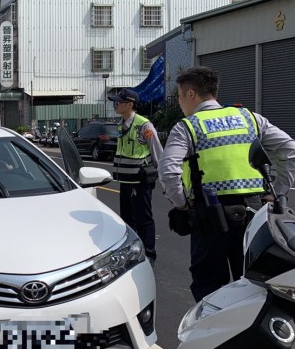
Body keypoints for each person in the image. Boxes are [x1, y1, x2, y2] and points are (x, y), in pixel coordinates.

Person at [159, 66, 295, 302]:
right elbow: (290, 151)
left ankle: (213, 334)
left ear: (191, 94)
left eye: (180, 96)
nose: (180, 103)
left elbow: (168, 170)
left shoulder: (188, 126)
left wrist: (182, 204)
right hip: (255, 216)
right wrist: (278, 192)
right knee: (256, 284)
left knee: (209, 286)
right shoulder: (250, 119)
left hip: (209, 217)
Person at [108, 88, 163, 266]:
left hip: (140, 182)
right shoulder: (121, 125)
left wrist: (163, 178)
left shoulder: (143, 125)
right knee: (127, 219)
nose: (116, 104)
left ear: (130, 104)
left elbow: (157, 153)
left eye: (119, 101)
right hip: (125, 181)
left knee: (144, 219)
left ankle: (149, 254)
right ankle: (132, 252)